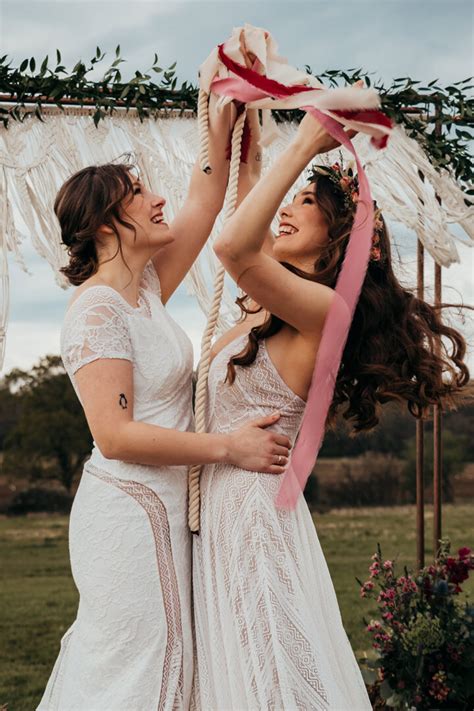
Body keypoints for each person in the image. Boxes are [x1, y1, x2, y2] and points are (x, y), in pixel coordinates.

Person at [191, 106, 470, 710]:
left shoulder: (323, 313)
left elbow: (233, 244)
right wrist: (243, 117)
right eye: (286, 201)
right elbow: (249, 202)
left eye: (306, 202)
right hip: (223, 508)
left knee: (271, 674)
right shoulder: (274, 299)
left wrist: (310, 143)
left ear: (344, 232)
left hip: (253, 515)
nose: (285, 208)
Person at [37, 96, 291, 711]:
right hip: (128, 514)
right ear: (104, 224)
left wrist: (222, 110)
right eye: (138, 195)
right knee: (135, 667)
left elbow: (203, 201)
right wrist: (230, 447)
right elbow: (116, 435)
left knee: (169, 664)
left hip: (165, 506)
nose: (158, 200)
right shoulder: (98, 310)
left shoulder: (144, 290)